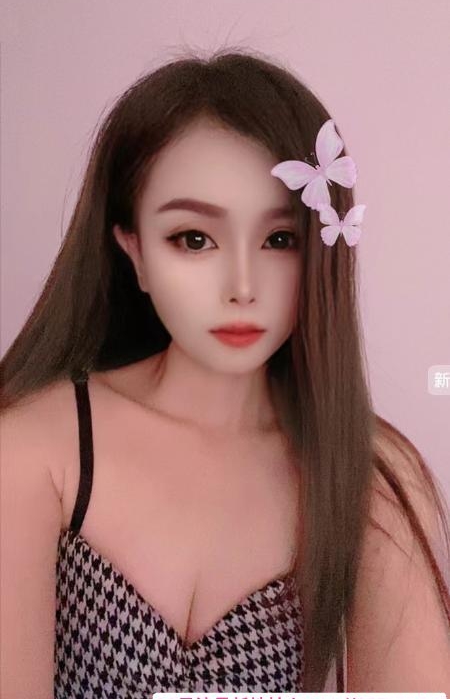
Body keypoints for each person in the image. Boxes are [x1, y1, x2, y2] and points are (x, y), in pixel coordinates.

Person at [1, 47, 449, 698]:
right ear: (133, 251)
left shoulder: (369, 474)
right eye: (194, 239)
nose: (242, 285)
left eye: (279, 239)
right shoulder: (35, 451)